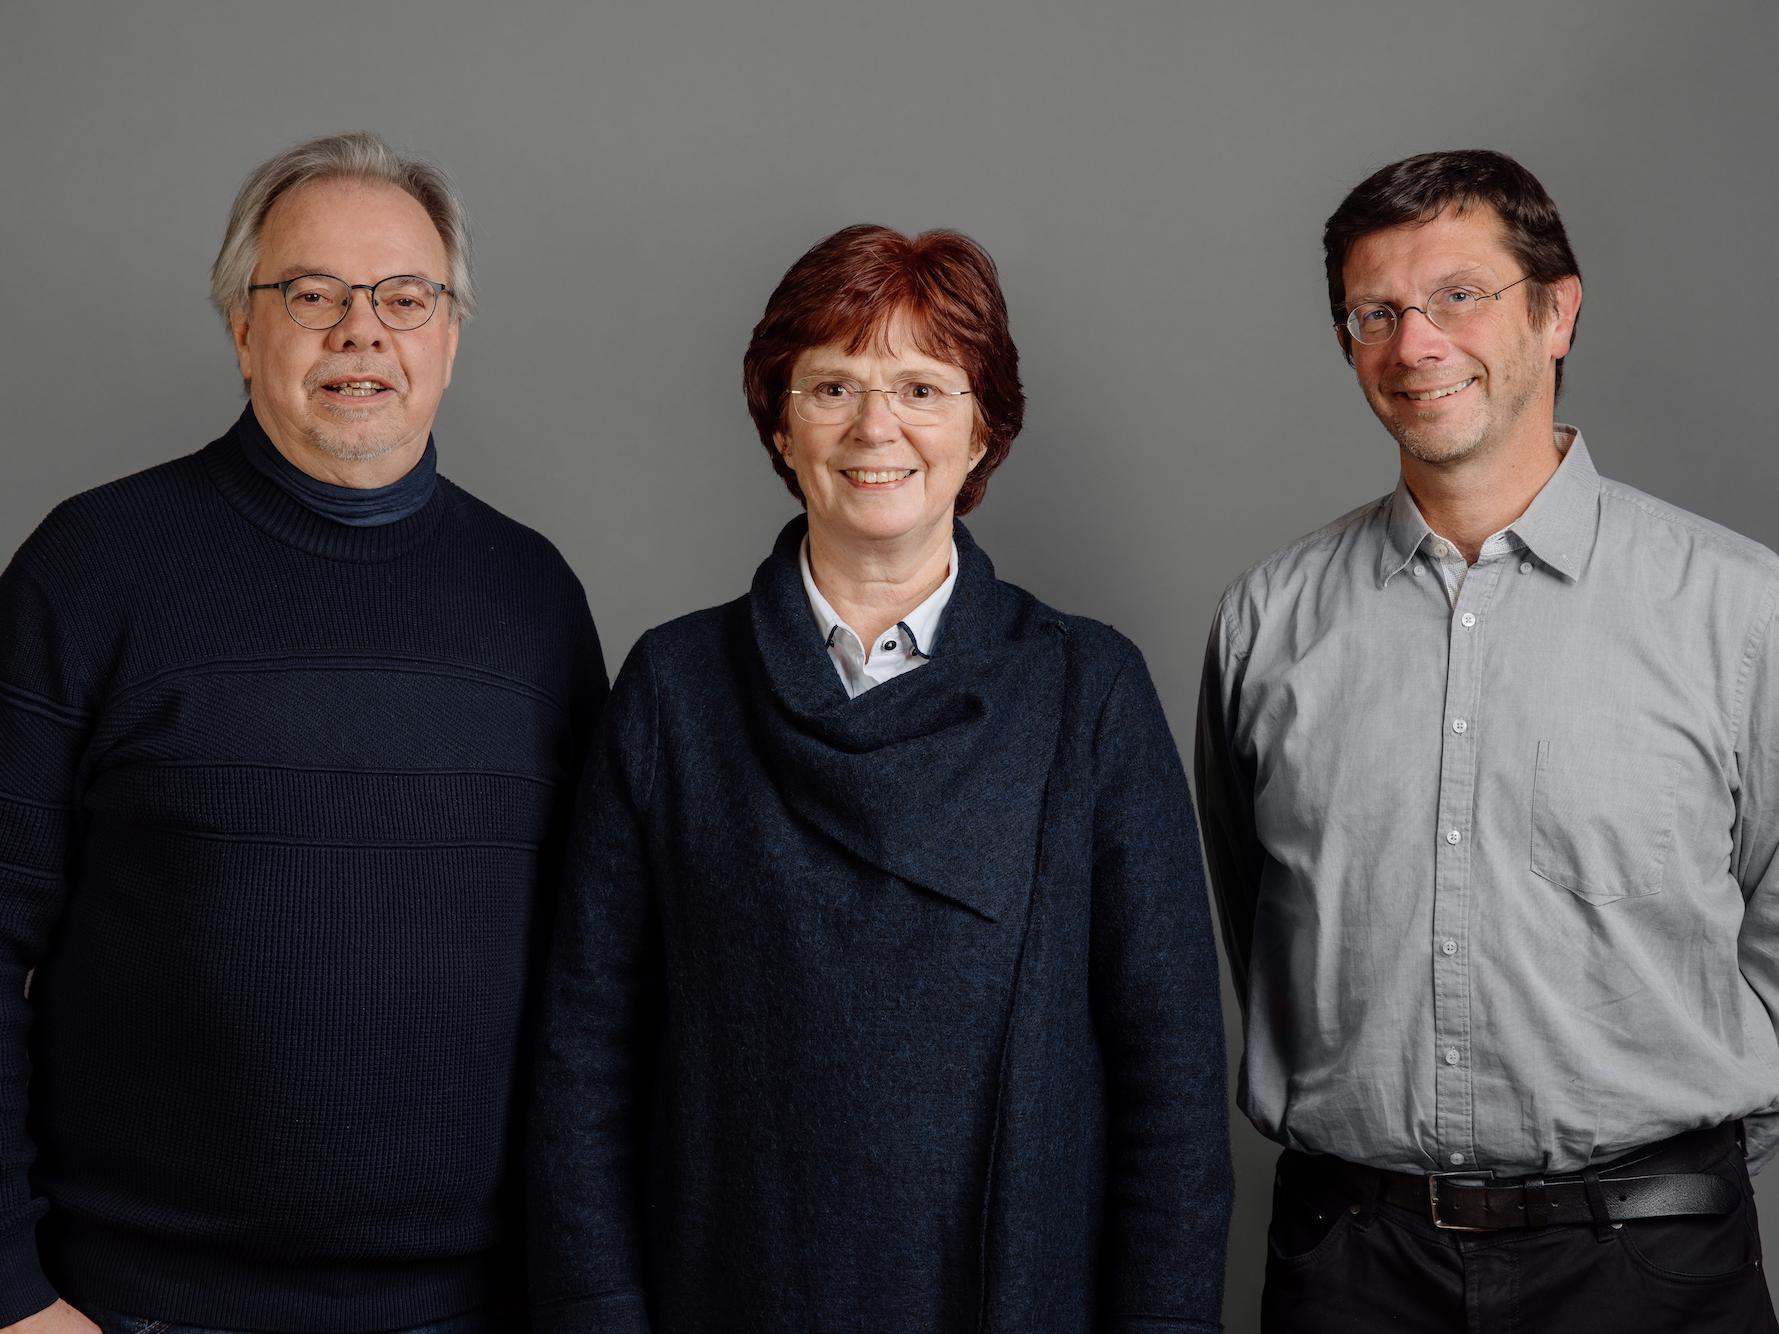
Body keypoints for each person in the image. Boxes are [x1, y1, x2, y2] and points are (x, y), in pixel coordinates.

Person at [528, 223, 1231, 1332]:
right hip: (726, 1289)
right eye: (832, 386)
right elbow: (584, 1058)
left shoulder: (1087, 692)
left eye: (921, 386)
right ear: (777, 418)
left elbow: (1174, 1087)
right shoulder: (674, 689)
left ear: (983, 425)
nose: (877, 428)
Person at [0, 132, 605, 1333]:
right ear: (241, 327)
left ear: (449, 336)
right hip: (137, 1305)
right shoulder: (90, 571)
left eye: (404, 298)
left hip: (474, 1307)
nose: (361, 332)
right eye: (312, 294)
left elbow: (598, 985)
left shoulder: (533, 599)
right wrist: (12, 1293)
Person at [1196, 148, 1779, 1332]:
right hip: (1349, 1264)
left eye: (1459, 295)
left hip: (1655, 1265)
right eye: (1376, 312)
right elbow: (1260, 916)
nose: (1416, 345)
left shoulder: (1741, 611)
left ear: (1557, 312)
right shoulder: (1268, 621)